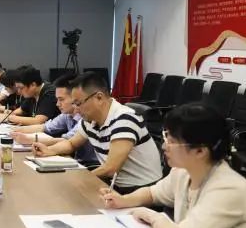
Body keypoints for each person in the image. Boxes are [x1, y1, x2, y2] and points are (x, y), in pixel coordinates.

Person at [100, 103, 246, 228]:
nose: (164, 146)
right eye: (166, 137)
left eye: (172, 141)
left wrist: (152, 216)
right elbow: (153, 193)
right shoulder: (183, 172)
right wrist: (123, 200)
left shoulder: (228, 188)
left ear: (200, 151)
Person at [33, 72, 162, 193]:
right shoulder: (90, 120)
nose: (76, 110)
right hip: (114, 185)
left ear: (99, 97)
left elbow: (110, 168)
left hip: (141, 190)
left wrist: (81, 179)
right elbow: (71, 144)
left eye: (78, 103)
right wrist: (49, 150)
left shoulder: (124, 119)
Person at [11, 73, 97, 164]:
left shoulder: (87, 118)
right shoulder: (68, 115)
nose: (57, 104)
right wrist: (15, 130)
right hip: (79, 162)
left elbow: (67, 141)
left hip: (90, 164)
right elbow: (46, 127)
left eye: (61, 99)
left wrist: (30, 140)